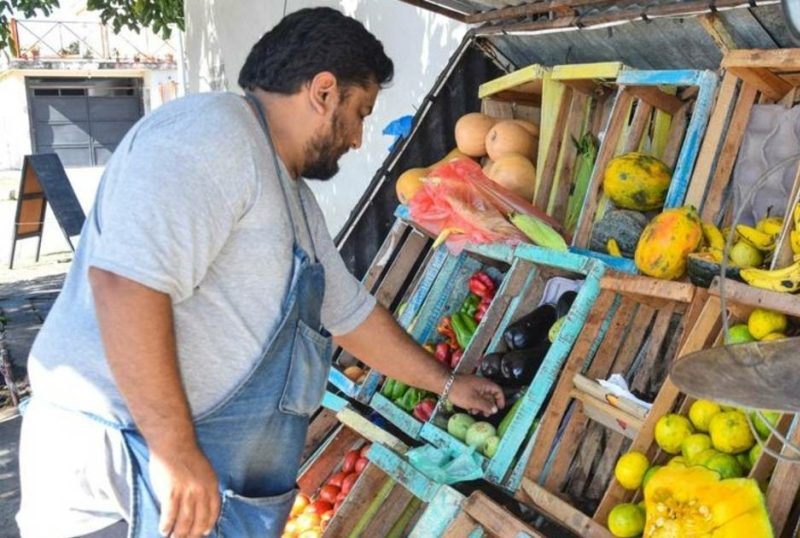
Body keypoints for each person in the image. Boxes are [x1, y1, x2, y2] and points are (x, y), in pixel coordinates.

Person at [17, 8, 504, 538]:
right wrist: (174, 450)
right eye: (360, 112)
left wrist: (447, 384)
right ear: (323, 92)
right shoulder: (213, 136)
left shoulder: (292, 197)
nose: (360, 139)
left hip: (192, 479)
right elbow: (126, 285)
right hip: (126, 474)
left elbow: (351, 315)